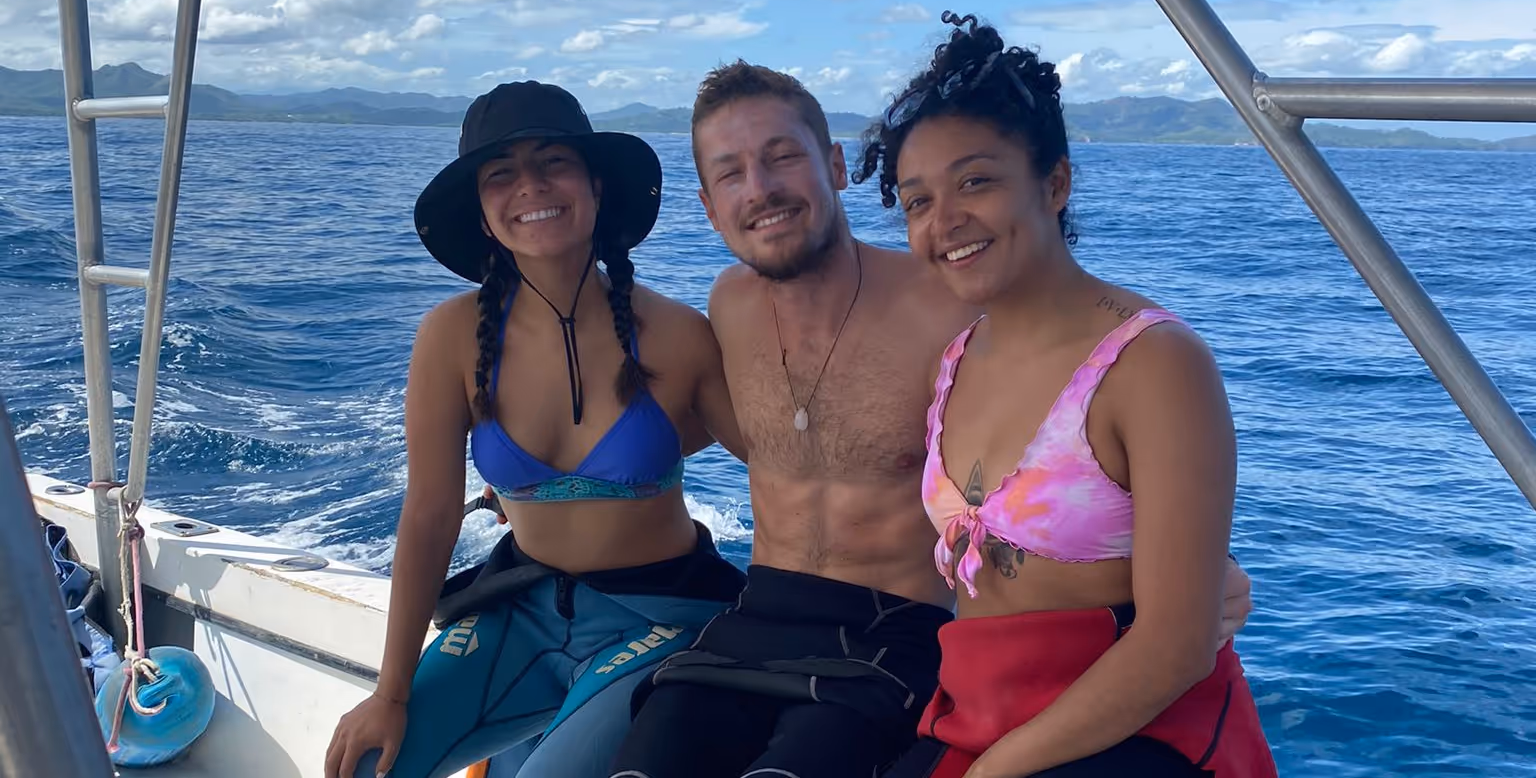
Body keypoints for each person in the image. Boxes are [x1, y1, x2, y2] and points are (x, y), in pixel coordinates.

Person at [608, 59, 1256, 778]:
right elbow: (768, 442)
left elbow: (1073, 424)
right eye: (732, 172)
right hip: (803, 631)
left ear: (835, 166)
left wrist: (1205, 567)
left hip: (903, 634)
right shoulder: (733, 306)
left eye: (782, 156)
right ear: (707, 205)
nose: (759, 188)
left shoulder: (957, 308)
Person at [862, 14, 1276, 777]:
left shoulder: (1154, 362)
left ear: (1054, 183)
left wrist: (992, 771)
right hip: (978, 717)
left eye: (976, 181)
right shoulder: (953, 361)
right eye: (917, 201)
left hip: (1140, 736)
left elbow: (1177, 647)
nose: (944, 220)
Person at [325, 81, 748, 778]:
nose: (530, 185)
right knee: (369, 764)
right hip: (523, 608)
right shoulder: (450, 337)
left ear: (596, 185)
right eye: (501, 174)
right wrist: (389, 693)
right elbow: (429, 514)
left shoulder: (678, 334)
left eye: (554, 161)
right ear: (483, 214)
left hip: (664, 615)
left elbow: (779, 467)